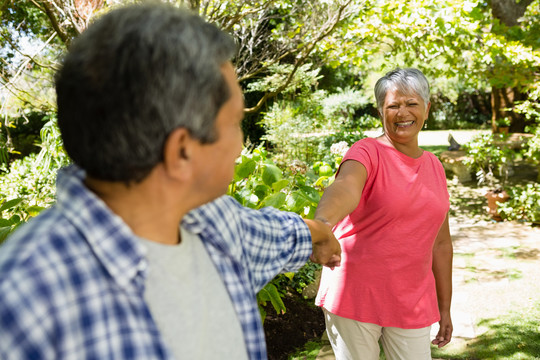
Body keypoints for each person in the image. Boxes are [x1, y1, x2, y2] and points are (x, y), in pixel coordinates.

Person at [0, 4, 341, 360]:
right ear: (181, 152)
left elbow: (280, 232)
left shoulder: (216, 222)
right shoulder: (22, 305)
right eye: (235, 122)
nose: (240, 145)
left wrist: (321, 233)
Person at [314, 68, 453, 360]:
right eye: (393, 105)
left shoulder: (435, 166)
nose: (403, 112)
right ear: (381, 112)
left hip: (412, 299)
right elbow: (345, 187)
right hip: (356, 292)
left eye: (412, 103)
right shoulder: (367, 152)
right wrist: (323, 225)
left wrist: (444, 308)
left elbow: (440, 243)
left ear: (427, 109)